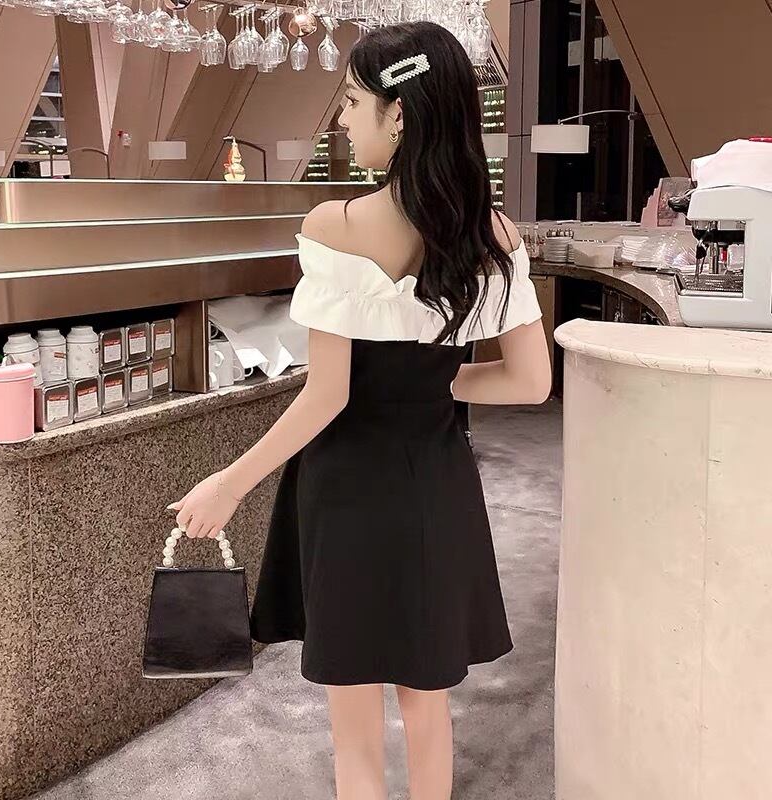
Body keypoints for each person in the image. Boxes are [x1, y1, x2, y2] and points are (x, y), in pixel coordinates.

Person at [169, 20, 552, 800]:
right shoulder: (493, 234)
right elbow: (530, 383)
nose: (342, 120)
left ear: (398, 113)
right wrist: (437, 385)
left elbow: (329, 395)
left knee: (353, 718)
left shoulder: (334, 226)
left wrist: (228, 483)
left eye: (350, 101)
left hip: (345, 488)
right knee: (428, 699)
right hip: (437, 482)